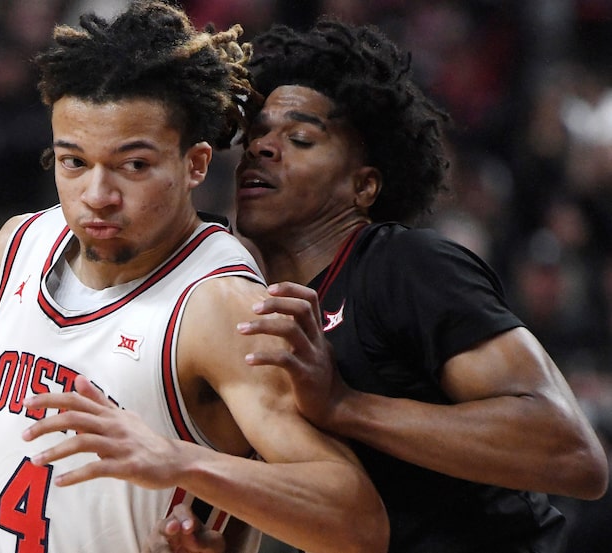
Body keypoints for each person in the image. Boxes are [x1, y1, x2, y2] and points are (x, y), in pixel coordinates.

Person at [0, 3, 388, 553]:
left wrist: (180, 462)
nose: (98, 194)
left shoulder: (220, 306)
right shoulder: (19, 243)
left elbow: (358, 523)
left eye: (133, 165)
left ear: (195, 164)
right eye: (74, 162)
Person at [145, 17, 609, 553]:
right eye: (254, 137)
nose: (262, 149)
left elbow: (573, 454)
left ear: (363, 186)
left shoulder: (404, 265)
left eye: (299, 138)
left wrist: (346, 406)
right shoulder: (242, 305)